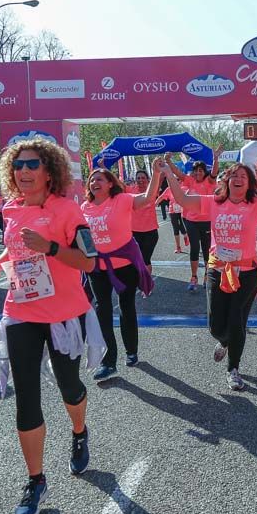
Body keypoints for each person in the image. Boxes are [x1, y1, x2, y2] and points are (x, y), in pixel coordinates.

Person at [0, 138, 96, 514]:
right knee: (26, 398)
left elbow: (89, 262)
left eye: (32, 165)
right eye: (18, 166)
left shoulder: (68, 210)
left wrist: (49, 247)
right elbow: (15, 250)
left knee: (69, 387)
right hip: (21, 311)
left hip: (62, 313)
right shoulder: (10, 209)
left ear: (49, 172)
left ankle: (79, 431)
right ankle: (35, 480)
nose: (24, 172)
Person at [162, 158, 257, 390]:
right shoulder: (214, 202)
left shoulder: (256, 203)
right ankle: (223, 341)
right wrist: (167, 172)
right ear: (227, 181)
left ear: (250, 183)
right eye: (234, 176)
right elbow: (182, 199)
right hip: (217, 270)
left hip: (247, 273)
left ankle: (233, 368)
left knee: (237, 321)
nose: (238, 179)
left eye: (243, 176)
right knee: (215, 325)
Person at [81, 163, 159, 380]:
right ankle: (109, 361)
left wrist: (157, 173)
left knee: (126, 307)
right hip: (97, 269)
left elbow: (147, 198)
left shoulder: (122, 199)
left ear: (110, 184)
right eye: (92, 179)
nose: (94, 182)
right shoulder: (85, 208)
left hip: (125, 265)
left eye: (100, 179)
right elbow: (82, 237)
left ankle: (131, 350)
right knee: (102, 311)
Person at [167, 150, 221, 291]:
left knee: (206, 249)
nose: (198, 174)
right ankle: (194, 277)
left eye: (201, 171)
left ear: (204, 172)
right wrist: (168, 161)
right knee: (194, 248)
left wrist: (215, 158)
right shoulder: (190, 181)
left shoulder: (210, 182)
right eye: (196, 171)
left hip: (207, 221)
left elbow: (214, 171)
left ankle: (206, 276)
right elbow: (178, 173)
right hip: (191, 221)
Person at [130, 169, 160, 272]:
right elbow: (116, 183)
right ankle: (140, 280)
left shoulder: (152, 190)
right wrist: (103, 166)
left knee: (145, 259)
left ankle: (147, 285)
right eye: (138, 178)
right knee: (136, 259)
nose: (140, 180)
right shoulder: (130, 191)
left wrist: (165, 164)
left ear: (148, 180)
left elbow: (161, 177)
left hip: (150, 232)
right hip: (134, 232)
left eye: (143, 178)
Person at [156, 186, 188, 253]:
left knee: (182, 225)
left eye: (178, 179)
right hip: (172, 210)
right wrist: (154, 204)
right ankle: (178, 247)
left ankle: (185, 235)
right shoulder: (169, 188)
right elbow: (161, 197)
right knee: (175, 227)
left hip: (183, 210)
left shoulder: (185, 187)